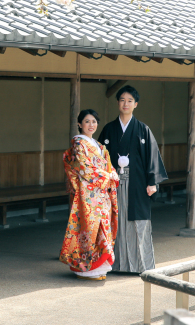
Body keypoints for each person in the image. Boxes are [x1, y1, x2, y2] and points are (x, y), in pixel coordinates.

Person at [98, 85, 168, 273]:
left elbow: (152, 157)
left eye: (130, 101)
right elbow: (99, 157)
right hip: (112, 183)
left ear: (136, 104)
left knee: (138, 223)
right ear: (118, 103)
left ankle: (140, 265)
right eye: (122, 100)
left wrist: (152, 181)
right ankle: (113, 264)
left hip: (136, 184)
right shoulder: (109, 130)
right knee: (114, 221)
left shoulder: (143, 130)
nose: (126, 104)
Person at [60, 109, 120, 280]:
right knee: (88, 231)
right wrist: (107, 176)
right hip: (87, 196)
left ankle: (99, 269)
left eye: (94, 121)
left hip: (101, 195)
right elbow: (84, 168)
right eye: (87, 121)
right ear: (79, 124)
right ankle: (84, 269)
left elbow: (107, 166)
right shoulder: (79, 144)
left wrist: (112, 172)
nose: (91, 125)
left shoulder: (99, 146)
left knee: (102, 231)